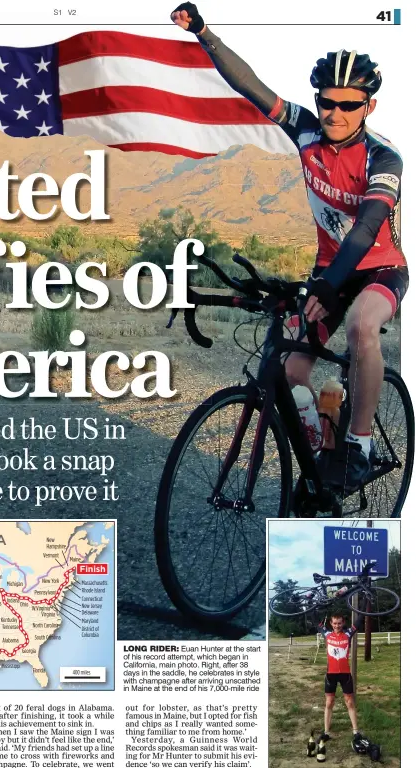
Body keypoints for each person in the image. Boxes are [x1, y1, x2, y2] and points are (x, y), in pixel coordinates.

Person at [170, 3, 408, 492]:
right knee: (291, 368)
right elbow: (250, 86)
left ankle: (359, 445)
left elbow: (365, 228)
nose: (335, 113)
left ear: (369, 106)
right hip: (329, 269)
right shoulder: (303, 130)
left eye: (348, 104)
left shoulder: (384, 156)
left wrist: (329, 282)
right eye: (327, 102)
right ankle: (324, 447)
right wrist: (204, 33)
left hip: (378, 269)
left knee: (363, 324)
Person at [317, 613, 366, 750]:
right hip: (331, 674)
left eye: (339, 623)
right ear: (331, 624)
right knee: (329, 702)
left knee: (350, 702)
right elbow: (316, 621)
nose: (337, 625)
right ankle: (326, 732)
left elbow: (359, 620)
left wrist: (365, 601)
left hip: (345, 674)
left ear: (343, 623)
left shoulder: (348, 634)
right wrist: (311, 602)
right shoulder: (326, 634)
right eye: (334, 623)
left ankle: (356, 732)